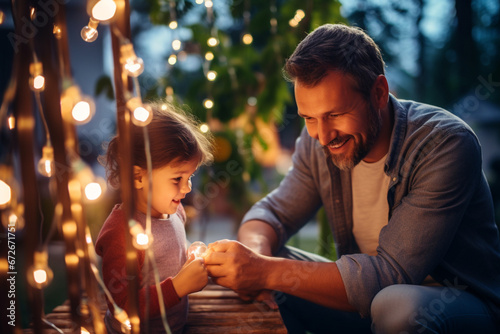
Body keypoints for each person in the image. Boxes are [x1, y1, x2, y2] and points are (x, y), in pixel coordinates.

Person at [204, 23, 500, 334]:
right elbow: (272, 213)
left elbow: (392, 274)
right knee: (265, 254)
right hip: (367, 307)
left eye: (334, 114)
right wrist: (255, 257)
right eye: (308, 118)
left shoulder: (445, 144)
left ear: (379, 93)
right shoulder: (317, 141)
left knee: (396, 305)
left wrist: (263, 272)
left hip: (460, 305)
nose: (322, 135)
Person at [95, 101, 213, 334]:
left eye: (190, 177)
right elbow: (123, 304)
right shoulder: (122, 232)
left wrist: (191, 255)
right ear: (138, 176)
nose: (187, 187)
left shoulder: (174, 211)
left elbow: (168, 253)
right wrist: (178, 287)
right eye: (177, 179)